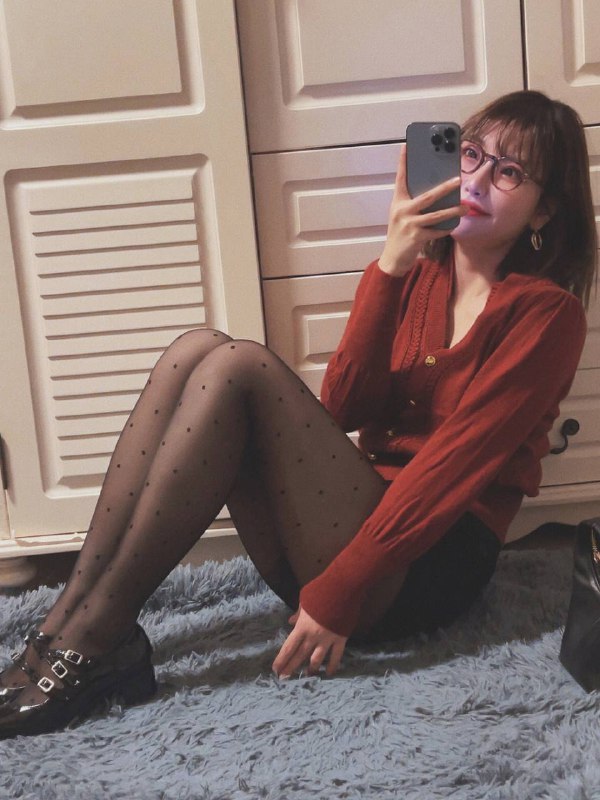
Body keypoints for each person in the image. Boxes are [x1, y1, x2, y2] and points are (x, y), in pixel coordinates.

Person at [0, 90, 596, 738]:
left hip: (424, 566)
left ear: (545, 209)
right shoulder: (419, 277)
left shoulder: (547, 315)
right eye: (471, 155)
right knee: (195, 349)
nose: (476, 179)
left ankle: (96, 640)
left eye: (509, 172)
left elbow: (452, 472)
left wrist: (339, 592)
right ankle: (69, 622)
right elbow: (342, 407)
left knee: (240, 366)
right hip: (346, 530)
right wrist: (391, 265)